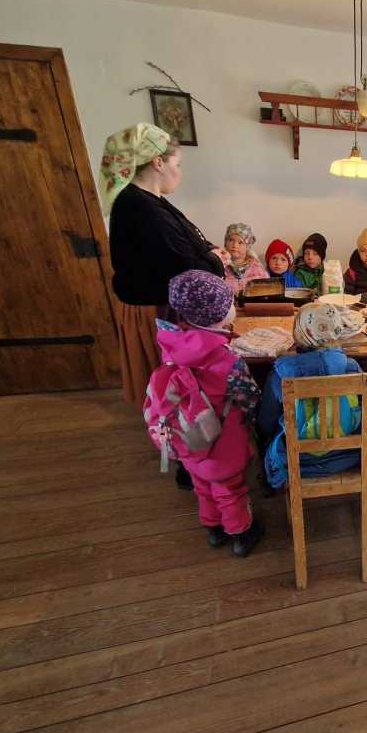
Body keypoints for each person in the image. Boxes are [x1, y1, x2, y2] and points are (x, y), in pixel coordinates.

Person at [102, 122, 224, 408]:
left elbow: (186, 240)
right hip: (154, 310)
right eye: (177, 164)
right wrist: (216, 260)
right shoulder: (139, 207)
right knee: (168, 391)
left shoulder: (150, 200)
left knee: (174, 391)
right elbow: (186, 268)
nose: (180, 172)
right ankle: (174, 429)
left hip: (163, 304)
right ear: (158, 162)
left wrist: (209, 251)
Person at [145, 270, 263, 557]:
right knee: (229, 490)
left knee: (202, 485)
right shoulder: (227, 359)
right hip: (222, 442)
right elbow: (249, 398)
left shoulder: (172, 343)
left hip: (187, 439)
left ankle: (213, 529)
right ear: (218, 315)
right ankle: (241, 534)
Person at [256, 303, 367, 489]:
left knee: (266, 437)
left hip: (297, 460)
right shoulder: (351, 367)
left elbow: (265, 424)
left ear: (298, 333)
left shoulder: (280, 375)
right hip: (347, 453)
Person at [219, 223, 268, 296]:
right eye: (231, 240)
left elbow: (266, 292)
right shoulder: (218, 266)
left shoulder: (258, 269)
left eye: (240, 242)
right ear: (225, 243)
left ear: (247, 246)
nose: (235, 245)